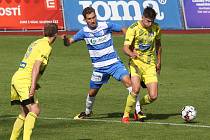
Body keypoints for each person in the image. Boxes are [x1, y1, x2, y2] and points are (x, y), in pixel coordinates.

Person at [62, 6, 136, 120]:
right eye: (89, 19)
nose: (92, 20)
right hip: (99, 69)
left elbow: (124, 29)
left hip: (114, 64)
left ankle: (138, 110)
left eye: (94, 17)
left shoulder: (106, 25)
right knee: (92, 93)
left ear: (96, 16)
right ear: (85, 20)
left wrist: (129, 43)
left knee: (129, 83)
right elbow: (68, 43)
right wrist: (65, 40)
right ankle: (87, 112)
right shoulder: (83, 32)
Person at [10, 23, 58, 140]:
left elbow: (29, 63)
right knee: (35, 110)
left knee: (25, 113)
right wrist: (32, 86)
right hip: (24, 81)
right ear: (56, 35)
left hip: (17, 77)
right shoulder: (46, 47)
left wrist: (34, 82)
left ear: (43, 32)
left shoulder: (36, 42)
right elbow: (36, 66)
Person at [121, 7, 162, 123]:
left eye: (152, 21)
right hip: (136, 64)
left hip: (150, 65)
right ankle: (126, 114)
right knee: (136, 88)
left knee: (153, 96)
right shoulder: (133, 29)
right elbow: (125, 48)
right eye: (148, 21)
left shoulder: (156, 28)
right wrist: (131, 54)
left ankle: (138, 108)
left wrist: (159, 62)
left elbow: (159, 46)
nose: (150, 24)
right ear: (142, 17)